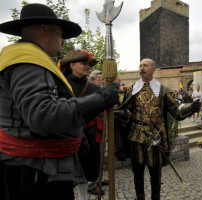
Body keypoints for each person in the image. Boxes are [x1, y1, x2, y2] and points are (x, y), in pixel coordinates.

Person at [0, 4, 119, 200]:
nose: (62, 41)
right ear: (44, 29)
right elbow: (43, 115)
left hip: (35, 165)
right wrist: (101, 98)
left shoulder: (30, 58)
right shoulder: (27, 61)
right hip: (32, 169)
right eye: (60, 33)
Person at [118, 58, 200, 200]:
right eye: (140, 65)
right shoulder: (132, 89)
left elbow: (177, 111)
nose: (141, 68)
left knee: (155, 173)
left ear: (153, 69)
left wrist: (191, 108)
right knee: (137, 173)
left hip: (155, 139)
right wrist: (119, 113)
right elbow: (126, 112)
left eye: (145, 65)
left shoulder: (163, 90)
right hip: (136, 136)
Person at [59, 49, 103, 200]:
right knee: (66, 175)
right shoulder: (61, 86)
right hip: (66, 135)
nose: (87, 67)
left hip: (89, 136)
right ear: (72, 65)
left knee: (85, 173)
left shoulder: (95, 89)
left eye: (89, 64)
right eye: (84, 63)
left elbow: (99, 113)